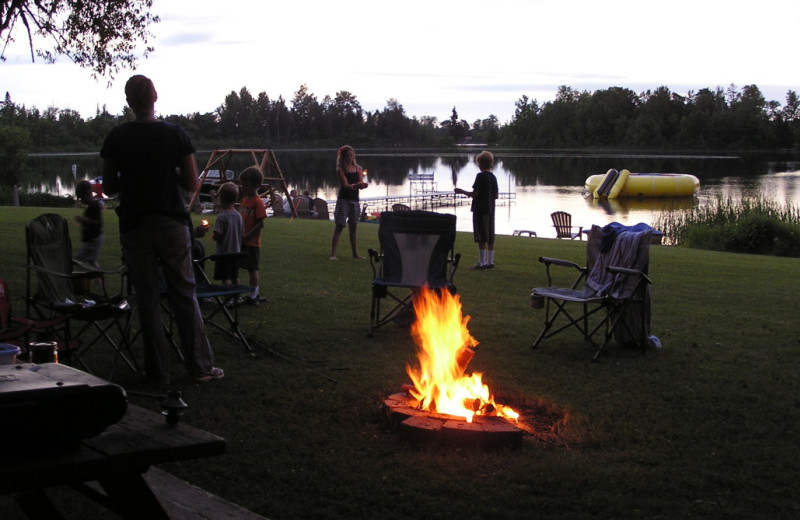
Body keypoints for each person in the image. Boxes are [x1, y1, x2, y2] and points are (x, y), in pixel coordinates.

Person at [101, 74, 224, 384]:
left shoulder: (117, 137)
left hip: (135, 224)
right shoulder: (175, 135)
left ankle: (157, 372)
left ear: (129, 102)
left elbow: (110, 187)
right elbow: (192, 183)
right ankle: (199, 366)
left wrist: (132, 177)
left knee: (147, 296)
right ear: (155, 97)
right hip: (171, 222)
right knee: (184, 292)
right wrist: (172, 170)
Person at [454, 150, 499, 270]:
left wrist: (461, 191)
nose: (478, 165)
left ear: (482, 164)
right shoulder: (493, 177)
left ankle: (482, 263)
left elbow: (475, 194)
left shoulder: (480, 176)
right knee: (490, 236)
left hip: (480, 210)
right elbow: (496, 196)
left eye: (478, 163)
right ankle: (490, 262)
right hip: (491, 210)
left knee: (481, 236)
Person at [329, 145, 368, 260]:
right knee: (340, 225)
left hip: (354, 200)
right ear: (343, 157)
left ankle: (355, 253)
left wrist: (362, 185)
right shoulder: (340, 170)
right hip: (344, 200)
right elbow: (345, 185)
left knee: (353, 227)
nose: (349, 158)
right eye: (347, 156)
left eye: (351, 156)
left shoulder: (359, 169)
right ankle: (333, 254)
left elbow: (360, 183)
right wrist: (355, 185)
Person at [238, 166, 266, 305]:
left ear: (256, 185)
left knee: (252, 268)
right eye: (242, 184)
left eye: (245, 185)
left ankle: (253, 294)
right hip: (241, 241)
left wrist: (247, 236)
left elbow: (260, 224)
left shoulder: (257, 202)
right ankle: (237, 293)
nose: (243, 187)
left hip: (252, 242)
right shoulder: (244, 200)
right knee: (238, 265)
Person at [212, 182, 243, 285]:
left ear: (221, 198)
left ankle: (228, 299)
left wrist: (212, 235)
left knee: (225, 277)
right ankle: (236, 297)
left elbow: (217, 236)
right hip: (236, 253)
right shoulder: (239, 216)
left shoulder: (221, 217)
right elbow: (241, 233)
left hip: (223, 254)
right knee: (235, 276)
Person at [73, 179, 104, 268]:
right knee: (92, 261)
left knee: (78, 260)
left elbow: (96, 221)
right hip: (92, 239)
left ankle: (82, 278)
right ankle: (99, 279)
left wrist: (82, 219)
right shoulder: (92, 206)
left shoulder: (94, 206)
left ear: (87, 194)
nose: (81, 201)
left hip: (92, 240)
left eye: (81, 198)